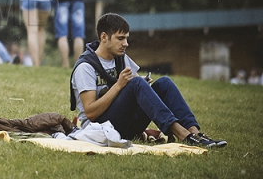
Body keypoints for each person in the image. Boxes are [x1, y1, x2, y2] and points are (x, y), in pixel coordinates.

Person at [69, 13, 227, 147]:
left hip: (125, 125)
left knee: (164, 83)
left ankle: (195, 134)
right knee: (137, 83)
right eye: (120, 38)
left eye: (126, 38)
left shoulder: (120, 57)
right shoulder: (86, 67)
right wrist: (119, 86)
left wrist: (144, 86)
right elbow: (90, 113)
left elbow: (136, 86)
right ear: (104, 37)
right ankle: (184, 135)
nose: (126, 43)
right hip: (99, 130)